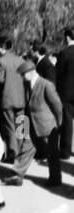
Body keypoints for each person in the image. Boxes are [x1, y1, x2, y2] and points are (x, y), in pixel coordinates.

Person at [21, 59, 63, 187]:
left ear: (30, 72)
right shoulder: (27, 84)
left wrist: (59, 124)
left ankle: (55, 179)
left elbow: (57, 105)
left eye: (23, 74)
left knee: (52, 154)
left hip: (48, 125)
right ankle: (18, 174)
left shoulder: (46, 84)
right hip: (33, 123)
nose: (22, 77)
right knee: (27, 147)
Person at [0, 35, 26, 160]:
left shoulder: (1, 61)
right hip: (20, 98)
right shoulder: (20, 60)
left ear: (0, 47)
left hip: (7, 99)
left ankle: (13, 154)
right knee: (21, 125)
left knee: (9, 127)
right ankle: (22, 153)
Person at [55, 27, 74, 160]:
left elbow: (58, 73)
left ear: (67, 37)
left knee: (66, 121)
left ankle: (65, 151)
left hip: (67, 92)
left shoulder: (64, 53)